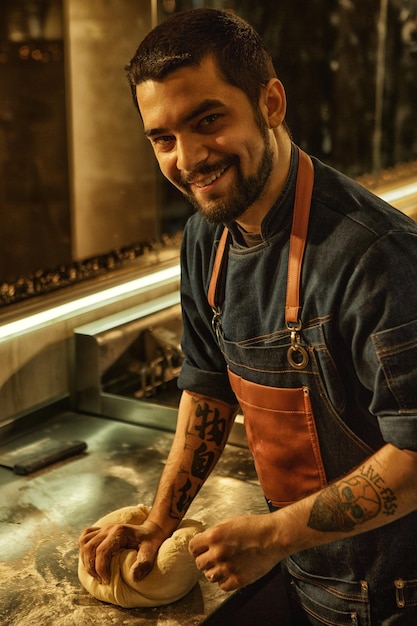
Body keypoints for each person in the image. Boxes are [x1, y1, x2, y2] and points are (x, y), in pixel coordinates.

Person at [78, 8, 417, 624]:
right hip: (305, 573)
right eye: (162, 138)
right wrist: (161, 519)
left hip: (396, 595)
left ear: (272, 102)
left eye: (208, 120)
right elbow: (208, 387)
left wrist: (272, 535)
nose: (188, 159)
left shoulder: (375, 255)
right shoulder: (206, 241)